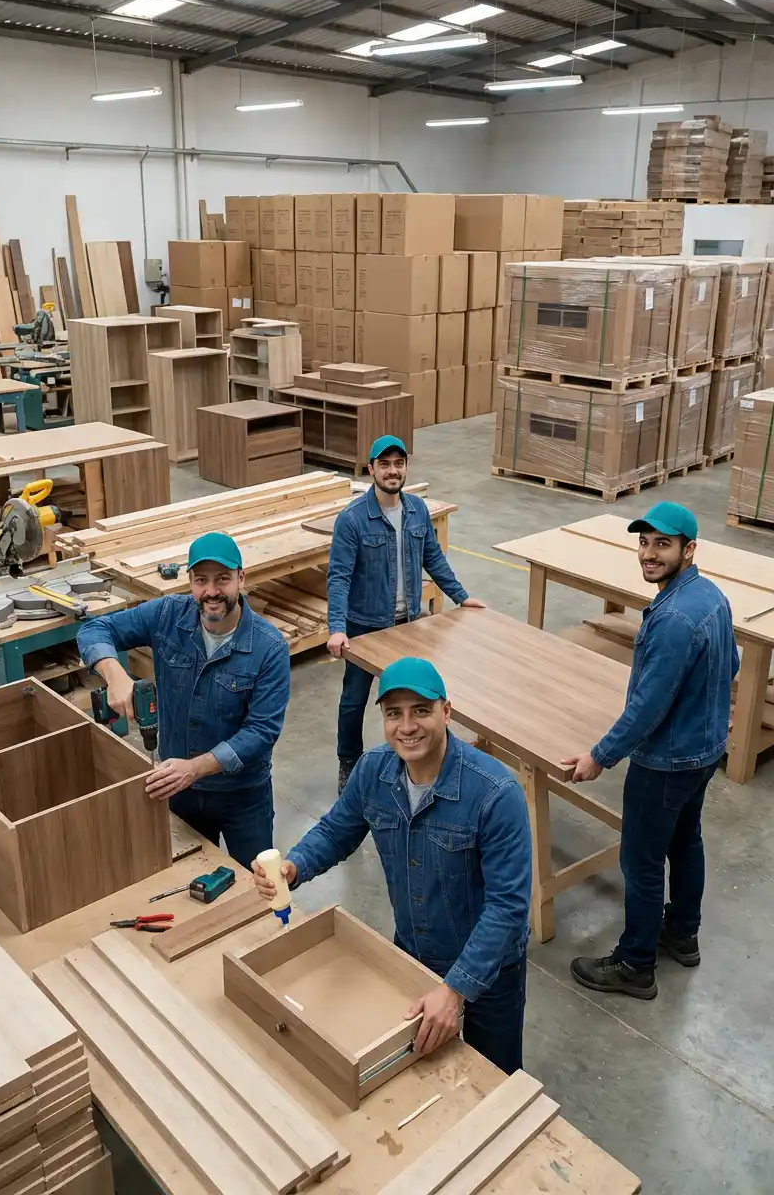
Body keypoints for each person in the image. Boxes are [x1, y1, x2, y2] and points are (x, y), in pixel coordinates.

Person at [252, 656, 532, 1074]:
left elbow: (508, 908)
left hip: (490, 971)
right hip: (414, 952)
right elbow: (336, 831)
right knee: (419, 1076)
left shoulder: (495, 794)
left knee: (494, 1077)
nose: (407, 726)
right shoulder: (373, 772)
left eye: (421, 710)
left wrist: (456, 990)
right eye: (394, 714)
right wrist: (295, 866)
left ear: (447, 712)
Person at [562, 502, 738, 1001]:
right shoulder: (711, 596)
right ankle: (682, 935)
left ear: (689, 549)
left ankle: (635, 964)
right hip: (704, 752)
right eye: (643, 543)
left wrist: (600, 755)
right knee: (685, 841)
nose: (648, 554)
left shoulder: (674, 617)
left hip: (666, 761)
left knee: (641, 861)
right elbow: (732, 662)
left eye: (662, 544)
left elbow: (648, 706)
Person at [76, 531, 291, 870]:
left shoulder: (269, 648)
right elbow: (94, 630)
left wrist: (194, 768)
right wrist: (115, 674)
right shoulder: (166, 615)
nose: (211, 591)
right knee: (189, 877)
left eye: (222, 579)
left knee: (258, 882)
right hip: (179, 790)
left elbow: (261, 732)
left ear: (241, 578)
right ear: (190, 581)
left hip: (242, 795)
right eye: (201, 580)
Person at [327, 434, 485, 791]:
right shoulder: (352, 519)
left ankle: (411, 757)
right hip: (364, 626)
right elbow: (338, 577)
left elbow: (433, 558)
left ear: (406, 468)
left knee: (410, 696)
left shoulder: (417, 510)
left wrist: (461, 597)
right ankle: (348, 761)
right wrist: (337, 628)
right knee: (353, 700)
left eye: (398, 464)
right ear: (371, 470)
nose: (392, 471)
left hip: (408, 624)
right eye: (384, 464)